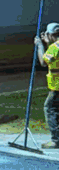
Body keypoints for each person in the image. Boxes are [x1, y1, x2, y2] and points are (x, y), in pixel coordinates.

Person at [33, 22, 59, 150]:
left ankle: (56, 140)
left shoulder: (55, 47)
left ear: (50, 34)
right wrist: (47, 44)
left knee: (49, 108)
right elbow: (53, 58)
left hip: (57, 86)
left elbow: (43, 61)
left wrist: (39, 46)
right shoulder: (55, 46)